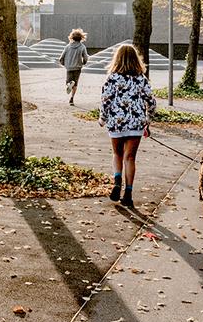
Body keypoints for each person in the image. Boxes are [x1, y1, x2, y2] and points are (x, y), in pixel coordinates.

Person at [98, 44, 155, 208]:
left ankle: (117, 182)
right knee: (130, 158)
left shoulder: (112, 78)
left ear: (117, 59)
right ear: (135, 59)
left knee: (117, 154)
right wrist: (147, 121)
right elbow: (151, 102)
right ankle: (128, 193)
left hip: (116, 122)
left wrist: (102, 119)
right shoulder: (141, 79)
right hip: (136, 123)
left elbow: (105, 101)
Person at [58, 29, 89, 105]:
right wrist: (84, 63)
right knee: (75, 84)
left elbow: (61, 58)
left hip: (69, 67)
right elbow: (85, 58)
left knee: (68, 82)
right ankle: (72, 99)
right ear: (81, 38)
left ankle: (69, 84)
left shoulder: (68, 46)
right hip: (77, 68)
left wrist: (64, 64)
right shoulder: (82, 47)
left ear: (72, 37)